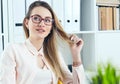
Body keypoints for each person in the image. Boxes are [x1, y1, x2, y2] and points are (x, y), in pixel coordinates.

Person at [0, 1, 87, 84]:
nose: (42, 24)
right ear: (26, 23)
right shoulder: (13, 50)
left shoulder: (54, 54)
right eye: (36, 18)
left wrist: (76, 55)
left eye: (47, 20)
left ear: (51, 27)